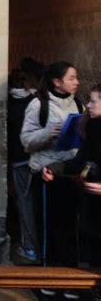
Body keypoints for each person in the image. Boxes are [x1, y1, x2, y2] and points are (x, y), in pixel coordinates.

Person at [20, 61, 83, 300]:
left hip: (70, 172)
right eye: (72, 78)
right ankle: (49, 278)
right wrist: (48, 133)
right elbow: (26, 141)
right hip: (46, 174)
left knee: (71, 229)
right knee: (49, 229)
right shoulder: (39, 105)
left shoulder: (78, 103)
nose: (77, 82)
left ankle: (70, 280)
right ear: (57, 82)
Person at [43, 84, 101, 273]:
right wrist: (53, 168)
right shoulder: (91, 126)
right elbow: (80, 160)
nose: (88, 105)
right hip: (92, 201)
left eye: (93, 101)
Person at [7, 68, 39, 263]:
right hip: (36, 158)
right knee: (32, 204)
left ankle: (30, 247)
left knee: (25, 204)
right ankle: (35, 246)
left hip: (19, 159)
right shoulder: (34, 102)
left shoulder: (9, 104)